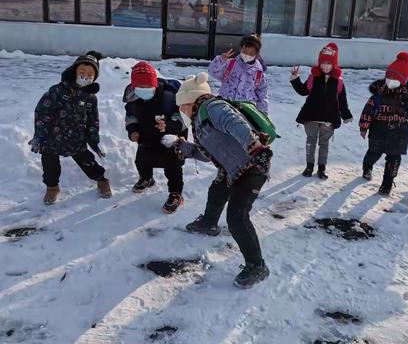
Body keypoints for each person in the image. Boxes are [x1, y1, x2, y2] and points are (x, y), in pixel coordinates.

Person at [161, 72, 272, 289]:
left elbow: (235, 123)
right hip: (234, 168)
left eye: (181, 106)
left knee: (237, 218)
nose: (180, 111)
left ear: (190, 101)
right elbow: (210, 152)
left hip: (253, 166)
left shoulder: (212, 107)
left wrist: (255, 147)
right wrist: (180, 146)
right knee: (217, 190)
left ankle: (257, 266)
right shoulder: (200, 122)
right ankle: (208, 223)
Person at [30, 51, 111, 204]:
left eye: (89, 74)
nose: (85, 76)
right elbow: (42, 112)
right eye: (81, 72)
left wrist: (94, 139)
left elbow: (93, 120)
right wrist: (40, 135)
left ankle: (101, 179)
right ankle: (52, 187)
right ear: (74, 71)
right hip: (52, 138)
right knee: (50, 166)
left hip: (76, 138)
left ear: (95, 77)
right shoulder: (57, 91)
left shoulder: (90, 98)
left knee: (87, 161)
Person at [359, 52, 408, 195]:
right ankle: (367, 167)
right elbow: (368, 111)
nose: (390, 80)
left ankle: (387, 185)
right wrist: (364, 127)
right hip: (378, 132)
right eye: (388, 77)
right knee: (373, 154)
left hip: (398, 134)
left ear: (402, 80)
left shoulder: (406, 98)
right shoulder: (378, 95)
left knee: (393, 161)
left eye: (394, 78)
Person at [123, 61, 187, 214]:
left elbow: (182, 117)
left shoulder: (168, 97)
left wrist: (169, 127)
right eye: (140, 87)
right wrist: (133, 131)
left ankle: (175, 193)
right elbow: (131, 117)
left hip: (171, 138)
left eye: (148, 87)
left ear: (154, 84)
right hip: (147, 136)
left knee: (173, 166)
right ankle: (147, 178)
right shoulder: (133, 99)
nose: (144, 90)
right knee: (142, 160)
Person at [290, 42, 353, 179]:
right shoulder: (313, 77)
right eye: (323, 63)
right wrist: (295, 79)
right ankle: (309, 166)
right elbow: (303, 91)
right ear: (319, 63)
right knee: (310, 142)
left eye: (329, 64)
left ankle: (321, 168)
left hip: (329, 119)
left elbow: (342, 101)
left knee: (324, 145)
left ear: (334, 65)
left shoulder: (339, 81)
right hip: (311, 116)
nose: (325, 66)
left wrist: (346, 115)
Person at [208, 34, 269, 114]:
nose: (247, 55)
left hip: (246, 110)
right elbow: (213, 72)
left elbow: (262, 94)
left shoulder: (258, 73)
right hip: (225, 105)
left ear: (256, 53)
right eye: (245, 51)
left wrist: (262, 112)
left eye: (251, 53)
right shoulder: (231, 64)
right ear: (241, 48)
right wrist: (220, 60)